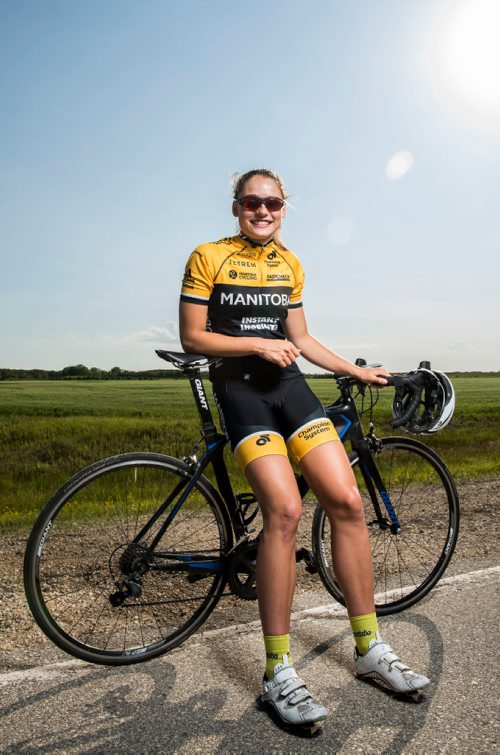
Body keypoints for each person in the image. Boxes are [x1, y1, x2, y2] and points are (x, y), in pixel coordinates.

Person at [179, 168, 430, 730]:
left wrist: (353, 370)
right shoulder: (209, 255)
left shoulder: (290, 264)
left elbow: (303, 339)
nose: (262, 211)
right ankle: (277, 673)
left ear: (284, 208)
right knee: (286, 511)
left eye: (272, 203)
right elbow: (193, 336)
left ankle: (368, 649)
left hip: (291, 390)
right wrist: (256, 345)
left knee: (346, 502)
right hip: (241, 389)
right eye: (252, 202)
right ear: (236, 206)